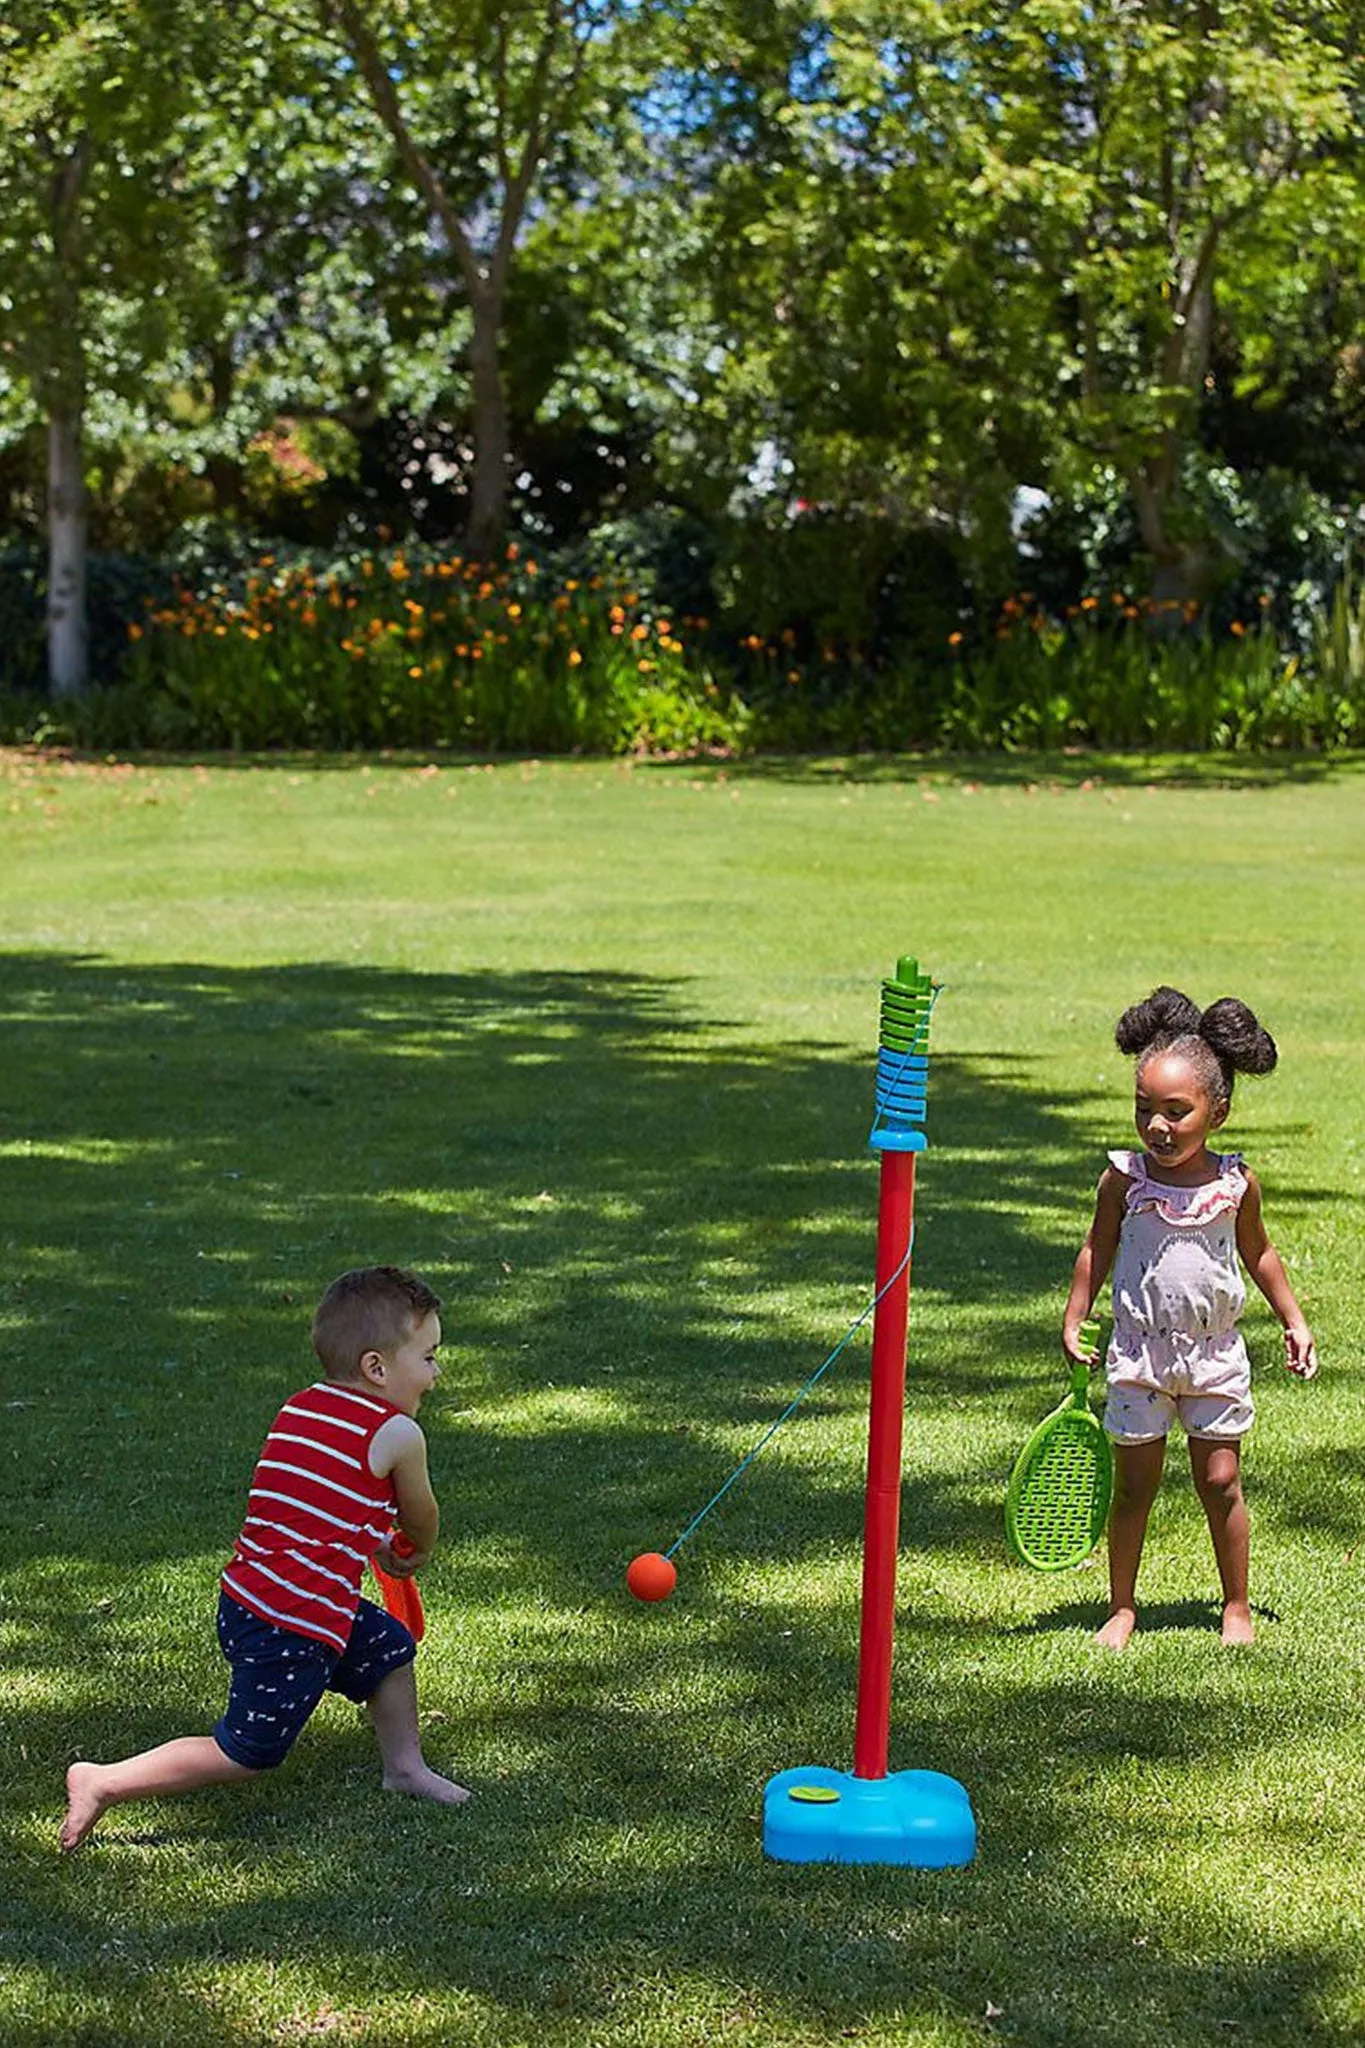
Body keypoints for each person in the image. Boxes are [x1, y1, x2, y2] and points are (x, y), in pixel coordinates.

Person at [61, 1265, 469, 1851]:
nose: (436, 1374)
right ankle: (104, 1781)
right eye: (428, 1357)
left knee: (388, 1649)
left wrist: (368, 1536)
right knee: (248, 1751)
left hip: (258, 1598)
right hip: (292, 1621)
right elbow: (420, 1515)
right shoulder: (399, 1434)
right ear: (377, 1368)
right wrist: (415, 1548)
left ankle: (404, 1767)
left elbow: (315, 1502)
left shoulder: (303, 1406)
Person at [1063, 988, 1317, 1651]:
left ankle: (1234, 1605)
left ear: (1217, 1112)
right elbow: (1097, 1248)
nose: (1157, 1126)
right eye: (1144, 1109)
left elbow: (1259, 1253)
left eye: (1176, 1112)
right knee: (1132, 1487)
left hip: (1212, 1356)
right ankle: (1121, 1607)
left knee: (1220, 1481)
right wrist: (1073, 1317)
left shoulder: (1235, 1184)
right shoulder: (1123, 1180)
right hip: (1138, 1354)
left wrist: (1293, 1320)